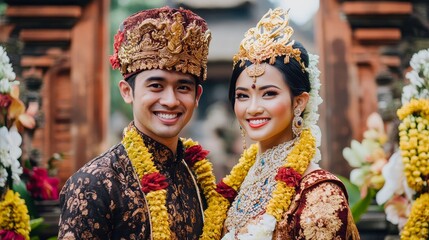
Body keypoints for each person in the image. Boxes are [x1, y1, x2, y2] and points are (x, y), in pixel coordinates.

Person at [58, 6, 219, 239]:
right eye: (156, 86)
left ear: (197, 97)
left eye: (183, 87)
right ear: (127, 92)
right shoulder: (94, 184)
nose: (171, 101)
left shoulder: (197, 177)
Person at [210, 8, 361, 239]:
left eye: (268, 94)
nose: (253, 108)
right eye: (242, 96)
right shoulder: (236, 185)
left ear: (299, 102)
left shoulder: (320, 192)